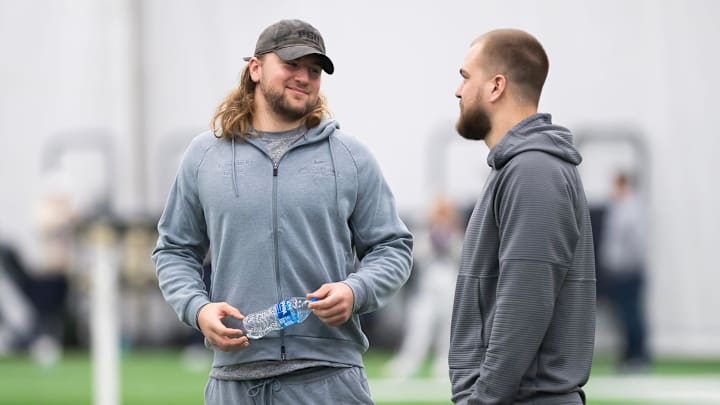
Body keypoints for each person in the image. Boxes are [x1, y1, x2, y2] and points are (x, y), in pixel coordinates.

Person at [152, 19, 413, 404]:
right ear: (255, 69)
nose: (304, 77)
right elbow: (174, 250)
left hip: (331, 380)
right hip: (234, 382)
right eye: (291, 64)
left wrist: (355, 290)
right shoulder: (203, 156)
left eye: (314, 70)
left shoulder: (351, 157)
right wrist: (198, 308)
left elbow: (393, 247)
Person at [448, 29, 596, 404]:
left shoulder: (533, 170)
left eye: (466, 77)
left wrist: (482, 399)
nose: (458, 91)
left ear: (496, 86)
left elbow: (525, 303)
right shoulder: (517, 167)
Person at [384, 195, 461, 379]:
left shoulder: (456, 236)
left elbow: (461, 255)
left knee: (448, 331)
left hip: (449, 291)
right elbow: (416, 255)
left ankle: (446, 366)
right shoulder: (423, 236)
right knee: (418, 329)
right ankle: (407, 364)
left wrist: (447, 243)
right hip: (426, 291)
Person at [600, 172, 650, 372]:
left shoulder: (631, 208)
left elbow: (635, 242)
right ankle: (630, 355)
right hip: (619, 270)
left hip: (628, 270)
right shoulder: (620, 207)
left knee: (632, 314)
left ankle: (637, 357)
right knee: (624, 315)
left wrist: (627, 264)